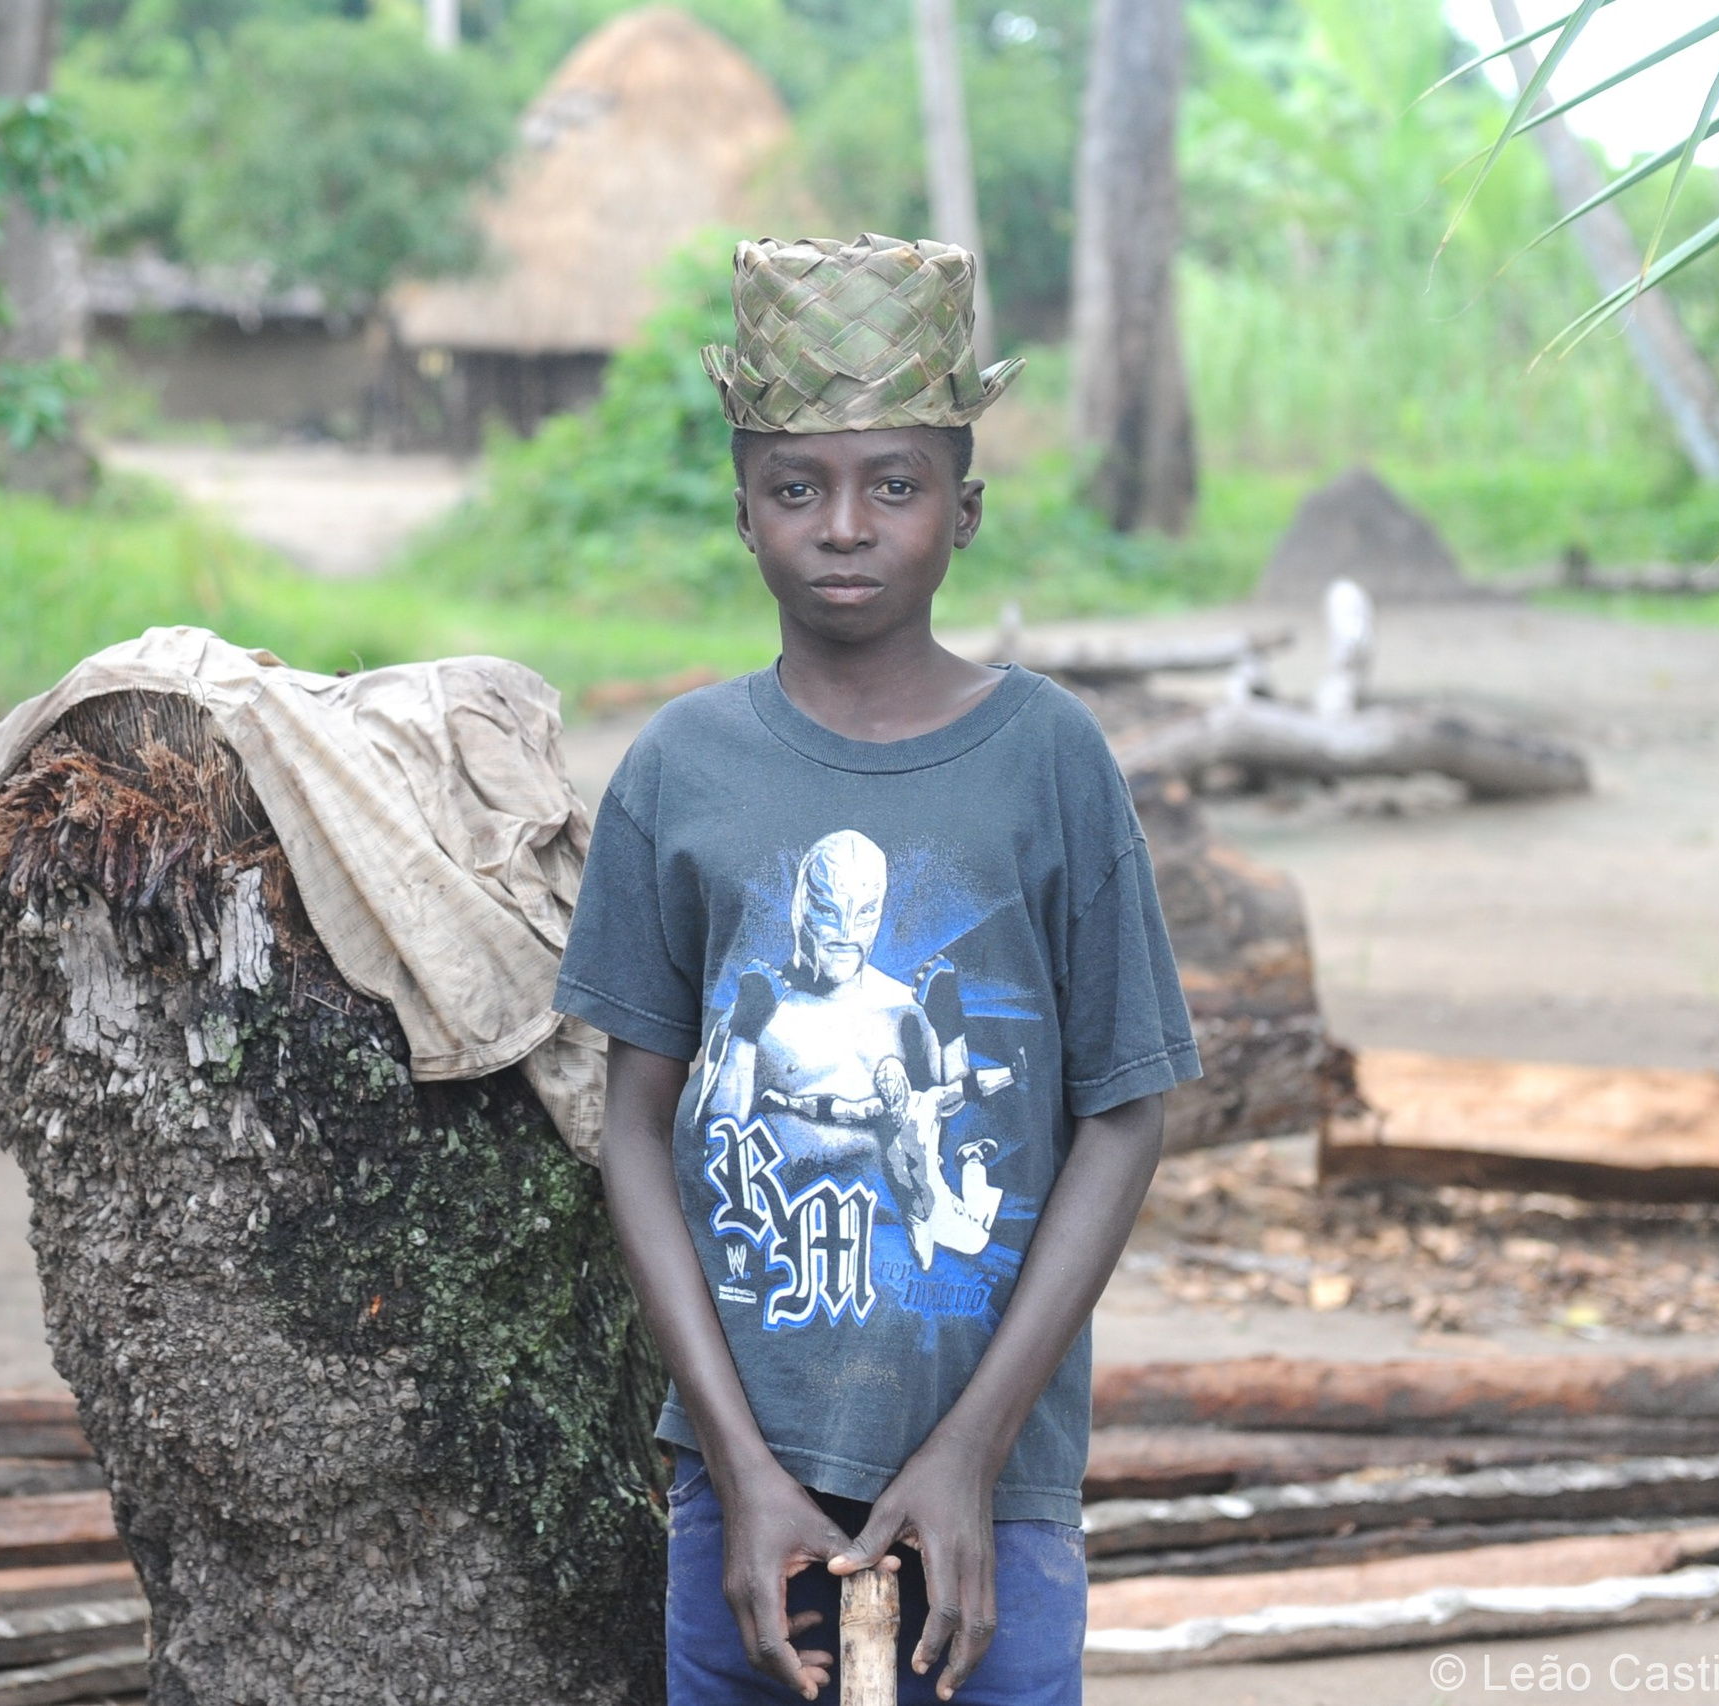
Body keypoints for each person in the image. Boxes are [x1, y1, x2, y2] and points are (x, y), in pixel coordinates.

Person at [554, 234, 1200, 1706]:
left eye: (893, 485)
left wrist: (970, 1449)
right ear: (743, 510)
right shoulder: (681, 770)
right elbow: (635, 1127)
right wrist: (739, 1466)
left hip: (997, 1493)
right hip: (744, 1486)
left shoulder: (1051, 761)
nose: (844, 526)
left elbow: (1125, 1110)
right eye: (798, 488)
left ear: (964, 508)